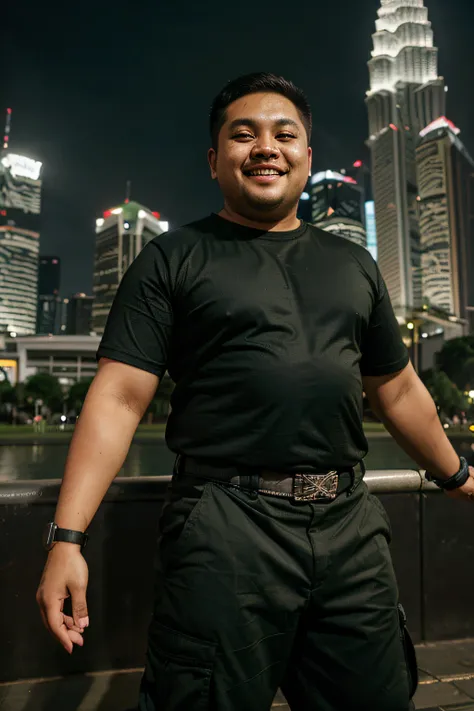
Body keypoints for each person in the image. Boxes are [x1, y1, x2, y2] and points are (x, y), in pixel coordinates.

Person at [37, 72, 474, 711]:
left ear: (306, 157)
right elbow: (119, 398)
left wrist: (458, 473)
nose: (266, 146)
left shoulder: (354, 264)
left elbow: (398, 388)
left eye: (284, 134)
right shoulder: (172, 259)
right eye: (244, 135)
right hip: (225, 525)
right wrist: (67, 541)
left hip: (350, 525)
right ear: (215, 161)